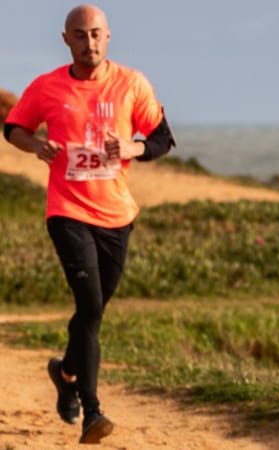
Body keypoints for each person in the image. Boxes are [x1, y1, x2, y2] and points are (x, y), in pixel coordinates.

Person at [3, 4, 175, 444]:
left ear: (108, 36)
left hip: (116, 215)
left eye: (96, 33)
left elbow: (161, 138)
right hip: (67, 211)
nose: (89, 42)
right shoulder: (46, 87)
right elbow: (13, 127)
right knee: (92, 306)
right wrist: (36, 146)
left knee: (91, 312)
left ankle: (65, 373)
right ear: (66, 40)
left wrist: (133, 150)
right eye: (79, 35)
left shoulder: (131, 84)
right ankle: (92, 410)